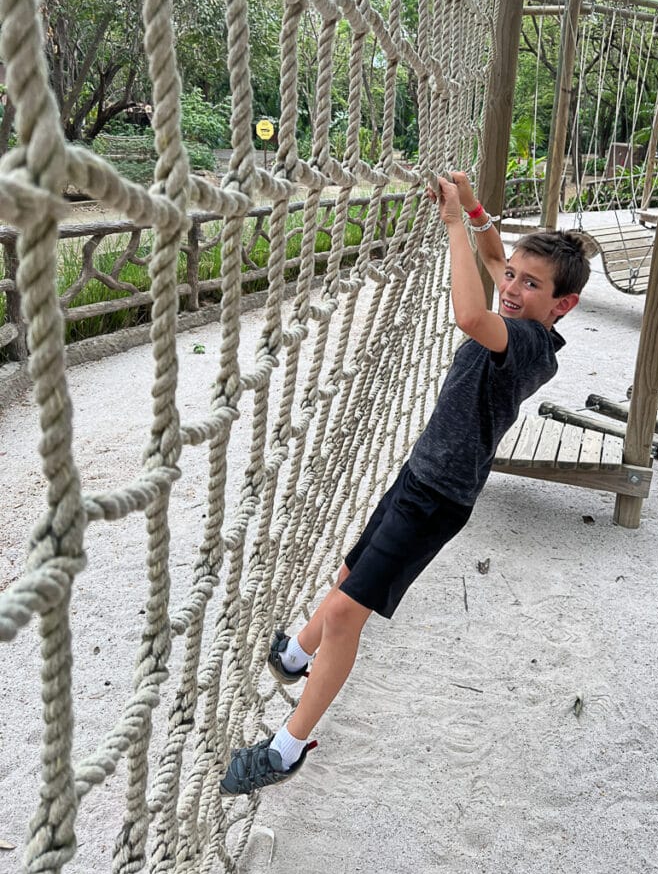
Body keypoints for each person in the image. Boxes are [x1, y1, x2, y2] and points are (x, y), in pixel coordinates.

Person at [220, 171, 591, 795]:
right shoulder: (516, 298)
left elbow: (470, 313)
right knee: (347, 575)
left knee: (344, 613)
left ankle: (288, 748)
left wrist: (451, 225)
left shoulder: (529, 343)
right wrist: (472, 206)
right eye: (514, 277)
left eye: (532, 285)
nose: (513, 287)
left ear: (561, 306)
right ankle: (294, 657)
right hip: (421, 472)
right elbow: (496, 257)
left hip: (439, 497)